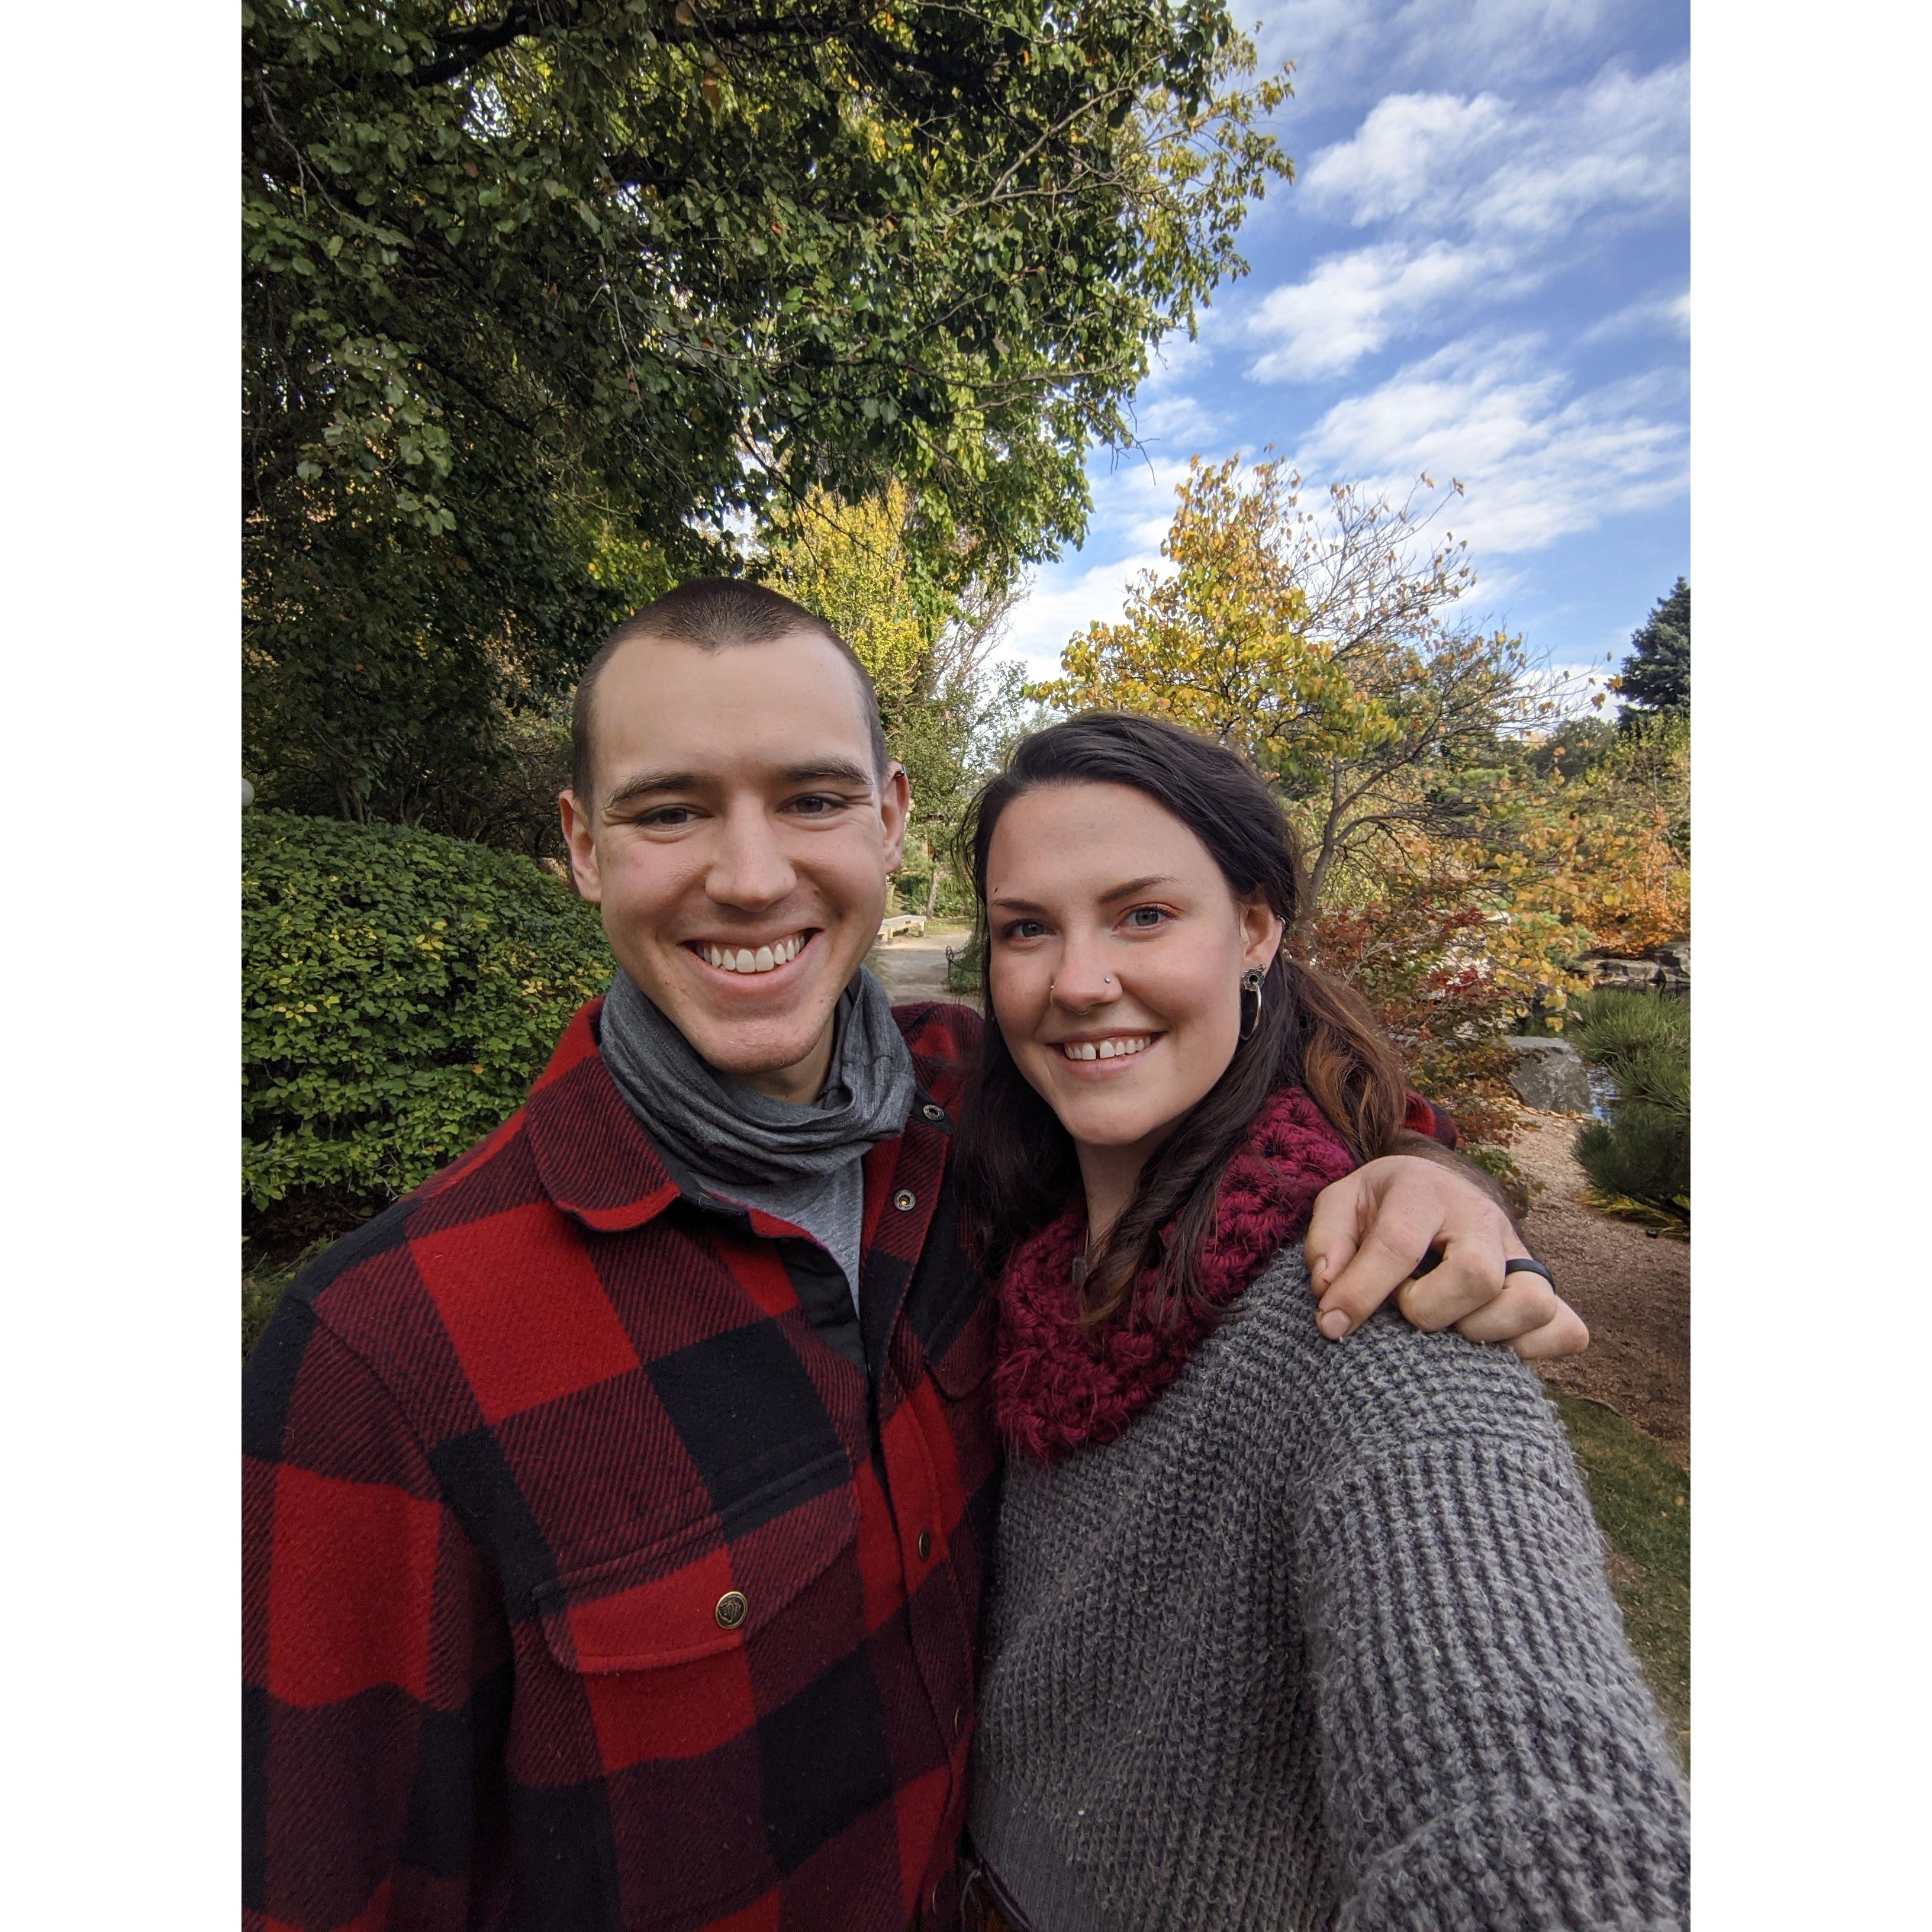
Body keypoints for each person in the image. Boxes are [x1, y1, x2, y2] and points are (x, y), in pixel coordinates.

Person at [243, 582, 1585, 1932]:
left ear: (889, 820)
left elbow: (1226, 1075)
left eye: (812, 801)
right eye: (670, 812)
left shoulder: (983, 1111)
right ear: (584, 849)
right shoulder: (388, 1354)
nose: (754, 875)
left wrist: (1419, 1167)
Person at [954, 713, 1689, 1932]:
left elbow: (1516, 1780)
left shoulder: (1379, 1308)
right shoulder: (1014, 1240)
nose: (1078, 980)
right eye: (1028, 929)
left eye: (1143, 914)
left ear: (1255, 927)